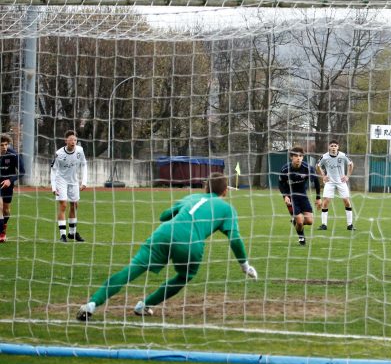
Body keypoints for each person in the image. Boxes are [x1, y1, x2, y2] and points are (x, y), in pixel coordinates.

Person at [76, 172, 257, 321]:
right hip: (191, 243)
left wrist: (179, 210)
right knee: (185, 275)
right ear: (225, 192)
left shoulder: (191, 197)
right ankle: (144, 306)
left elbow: (163, 216)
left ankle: (91, 304)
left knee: (132, 269)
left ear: (205, 187)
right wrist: (244, 265)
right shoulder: (227, 209)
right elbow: (234, 238)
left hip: (164, 233)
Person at [278, 146, 322, 246]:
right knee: (300, 222)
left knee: (310, 221)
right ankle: (301, 238)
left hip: (303, 196)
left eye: (301, 156)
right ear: (291, 157)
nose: (299, 158)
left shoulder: (307, 168)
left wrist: (318, 198)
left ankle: (295, 221)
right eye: (296, 156)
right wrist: (285, 196)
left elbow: (316, 182)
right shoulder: (285, 169)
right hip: (291, 197)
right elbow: (281, 184)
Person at [50, 130, 88, 242]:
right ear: (66, 140)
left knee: (74, 205)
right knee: (63, 205)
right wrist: (53, 187)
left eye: (75, 140)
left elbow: (84, 165)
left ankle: (72, 233)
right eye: (71, 139)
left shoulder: (80, 150)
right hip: (61, 180)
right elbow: (53, 170)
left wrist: (84, 181)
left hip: (74, 180)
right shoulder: (59, 153)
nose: (73, 142)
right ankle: (63, 235)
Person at [316, 140, 355, 231]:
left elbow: (351, 164)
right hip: (329, 182)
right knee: (326, 202)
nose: (333, 147)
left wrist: (347, 176)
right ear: (329, 147)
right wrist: (323, 176)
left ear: (338, 147)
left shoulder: (343, 155)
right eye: (332, 146)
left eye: (335, 146)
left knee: (347, 201)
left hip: (341, 181)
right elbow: (317, 166)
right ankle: (324, 225)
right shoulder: (324, 157)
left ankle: (350, 225)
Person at [0, 134, 25, 242]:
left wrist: (10, 180)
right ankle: (1, 233)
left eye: (6, 144)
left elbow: (22, 171)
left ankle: (3, 229)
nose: (4, 147)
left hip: (8, 184)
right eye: (1, 145)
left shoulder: (14, 155)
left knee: (6, 210)